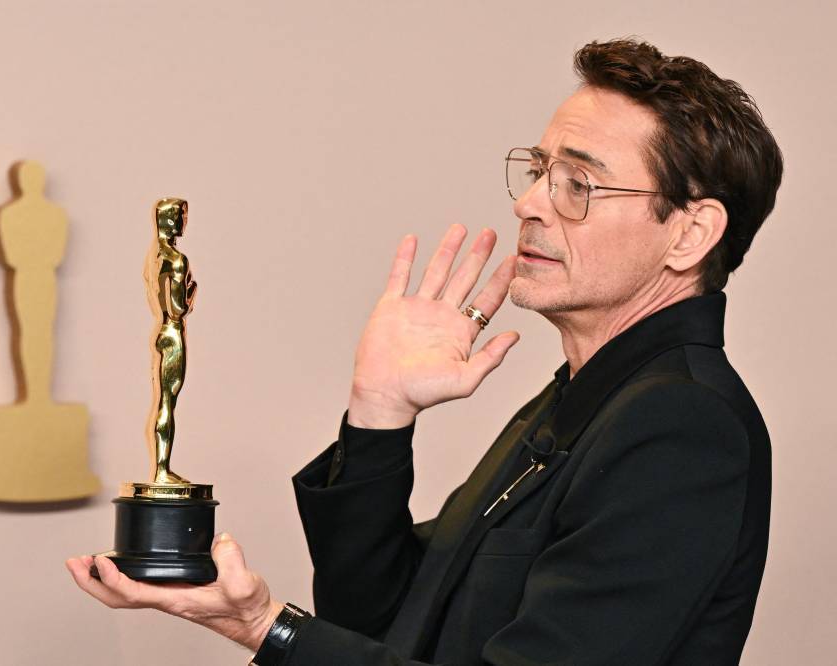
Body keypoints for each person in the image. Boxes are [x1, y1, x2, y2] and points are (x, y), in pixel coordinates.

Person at [67, 38, 783, 665]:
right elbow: (386, 620)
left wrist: (267, 629)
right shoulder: (585, 395)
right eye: (538, 170)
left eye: (578, 185)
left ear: (689, 234)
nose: (530, 202)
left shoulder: (682, 425)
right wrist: (380, 416)